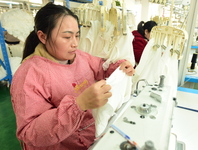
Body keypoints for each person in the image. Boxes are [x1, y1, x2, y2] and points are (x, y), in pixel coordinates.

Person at [10, 2, 134, 150]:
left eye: (77, 35)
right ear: (43, 37)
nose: (75, 43)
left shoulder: (79, 57)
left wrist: (118, 67)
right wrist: (79, 105)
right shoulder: (29, 75)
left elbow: (100, 67)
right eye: (67, 37)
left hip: (88, 137)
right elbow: (29, 132)